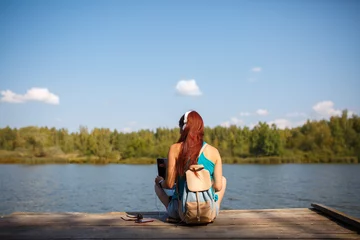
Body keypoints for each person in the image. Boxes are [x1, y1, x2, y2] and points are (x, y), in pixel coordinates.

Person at [154, 110, 226, 220]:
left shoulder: (175, 149)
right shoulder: (214, 151)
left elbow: (168, 184)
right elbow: (218, 187)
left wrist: (160, 181)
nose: (179, 132)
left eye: (180, 128)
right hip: (207, 212)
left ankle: (172, 209)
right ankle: (213, 209)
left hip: (182, 212)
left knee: (157, 186)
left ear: (184, 128)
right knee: (222, 180)